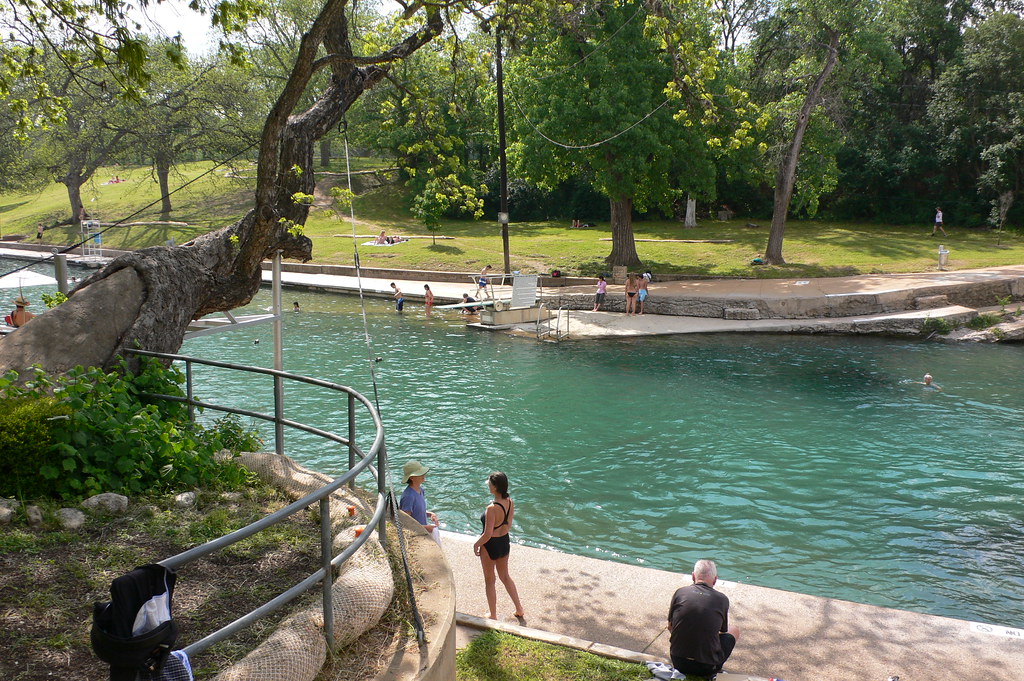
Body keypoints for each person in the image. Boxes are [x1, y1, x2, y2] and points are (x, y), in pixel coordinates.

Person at [667, 559, 739, 678]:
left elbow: (670, 626)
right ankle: (717, 672)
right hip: (706, 667)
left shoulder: (680, 592)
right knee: (734, 630)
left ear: (693, 576)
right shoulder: (722, 599)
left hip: (678, 661)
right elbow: (723, 630)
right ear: (715, 580)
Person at [473, 472, 525, 621]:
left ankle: (493, 615)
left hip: (490, 545)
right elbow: (507, 525)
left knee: (490, 580)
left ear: (495, 487)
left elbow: (487, 534)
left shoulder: (491, 508)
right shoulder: (510, 502)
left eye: (490, 483)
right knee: (505, 576)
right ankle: (519, 608)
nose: (488, 485)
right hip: (504, 542)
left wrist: (476, 544)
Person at [398, 460, 440, 543]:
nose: (423, 475)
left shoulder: (421, 490)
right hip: (417, 535)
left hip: (423, 531)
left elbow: (417, 511)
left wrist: (430, 514)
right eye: (420, 474)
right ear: (412, 478)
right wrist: (425, 528)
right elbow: (406, 522)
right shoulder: (408, 496)